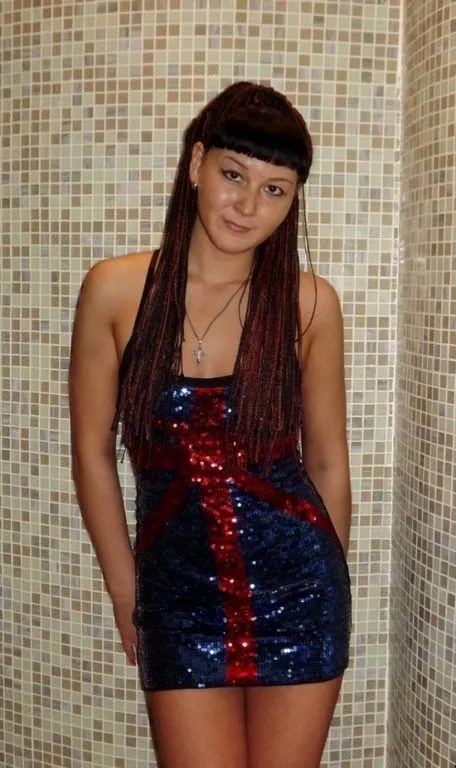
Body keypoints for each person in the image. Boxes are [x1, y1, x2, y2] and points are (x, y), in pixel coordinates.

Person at [69, 81, 352, 768]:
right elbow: (91, 452)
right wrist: (127, 588)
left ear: (292, 201)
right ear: (197, 162)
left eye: (274, 189)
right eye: (234, 175)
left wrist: (332, 591)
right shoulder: (115, 291)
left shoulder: (310, 305)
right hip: (177, 595)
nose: (249, 205)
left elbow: (327, 463)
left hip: (300, 588)